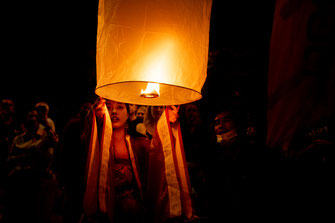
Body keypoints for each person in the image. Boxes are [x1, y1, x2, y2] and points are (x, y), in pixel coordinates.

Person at [82, 98, 150, 223]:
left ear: (129, 112)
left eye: (120, 107)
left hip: (133, 211)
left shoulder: (140, 144)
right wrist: (95, 117)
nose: (113, 111)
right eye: (108, 107)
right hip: (103, 209)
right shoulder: (96, 144)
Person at [6, 108, 58, 222]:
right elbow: (9, 159)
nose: (33, 119)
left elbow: (53, 147)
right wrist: (25, 156)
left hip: (38, 180)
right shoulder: (18, 139)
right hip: (21, 180)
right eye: (30, 116)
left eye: (35, 117)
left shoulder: (43, 138)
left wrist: (47, 126)